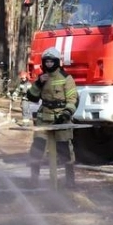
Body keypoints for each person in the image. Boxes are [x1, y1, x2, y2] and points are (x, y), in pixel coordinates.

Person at [26, 47, 79, 187]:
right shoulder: (42, 77)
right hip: (44, 118)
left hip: (62, 118)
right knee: (37, 147)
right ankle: (33, 179)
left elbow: (73, 100)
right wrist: (38, 83)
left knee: (65, 149)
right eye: (46, 62)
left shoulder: (66, 78)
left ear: (57, 62)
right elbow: (32, 97)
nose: (49, 64)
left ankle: (69, 180)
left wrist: (66, 114)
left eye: (51, 61)